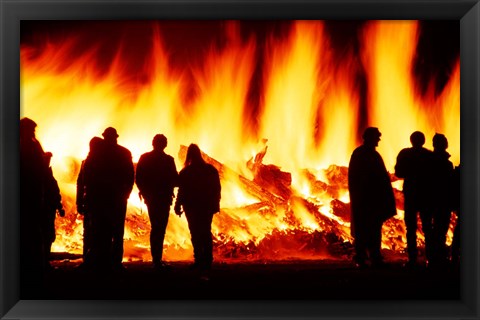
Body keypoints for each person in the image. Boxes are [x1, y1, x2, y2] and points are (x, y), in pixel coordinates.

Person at [83, 128, 134, 272]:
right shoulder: (124, 153)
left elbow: (88, 175)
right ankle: (115, 262)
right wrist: (126, 193)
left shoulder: (96, 153)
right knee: (117, 231)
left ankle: (99, 261)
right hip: (115, 197)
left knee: (99, 230)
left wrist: (88, 194)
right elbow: (130, 176)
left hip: (101, 197)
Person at [348, 127, 397, 268]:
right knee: (366, 229)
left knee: (373, 229)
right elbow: (359, 177)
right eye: (377, 137)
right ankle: (363, 257)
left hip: (371, 200)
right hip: (366, 199)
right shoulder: (364, 154)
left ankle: (372, 256)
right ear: (369, 138)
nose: (378, 140)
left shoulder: (369, 154)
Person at [174, 144, 221, 276]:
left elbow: (181, 191)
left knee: (195, 232)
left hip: (192, 207)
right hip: (205, 206)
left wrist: (178, 205)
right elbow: (217, 189)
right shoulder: (210, 170)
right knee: (205, 232)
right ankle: (207, 260)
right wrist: (215, 204)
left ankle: (199, 260)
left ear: (189, 155)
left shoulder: (186, 172)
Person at [136, 134, 178, 270]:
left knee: (156, 227)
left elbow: (139, 178)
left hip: (152, 198)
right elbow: (175, 179)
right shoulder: (168, 160)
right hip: (163, 198)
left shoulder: (145, 158)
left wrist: (145, 192)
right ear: (164, 145)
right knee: (160, 228)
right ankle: (157, 260)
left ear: (153, 143)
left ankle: (156, 259)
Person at [394, 131, 433, 267]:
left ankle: (412, 258)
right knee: (427, 227)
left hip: (411, 193)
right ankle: (430, 257)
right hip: (425, 194)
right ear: (423, 141)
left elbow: (398, 172)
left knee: (410, 227)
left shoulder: (405, 154)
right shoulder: (429, 155)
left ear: (411, 141)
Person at [20, 117, 48, 293]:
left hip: (33, 191)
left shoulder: (32, 143)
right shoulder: (29, 145)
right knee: (30, 228)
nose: (34, 132)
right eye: (32, 129)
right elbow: (38, 168)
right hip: (29, 192)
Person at [427, 133, 455, 268]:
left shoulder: (428, 161)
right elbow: (449, 183)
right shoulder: (445, 163)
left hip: (431, 200)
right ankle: (438, 257)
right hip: (442, 201)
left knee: (433, 229)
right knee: (440, 228)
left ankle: (433, 256)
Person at [76, 136, 104, 268]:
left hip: (97, 201)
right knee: (90, 231)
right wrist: (79, 201)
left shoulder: (101, 163)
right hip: (91, 201)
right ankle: (89, 259)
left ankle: (94, 259)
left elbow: (80, 184)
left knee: (95, 231)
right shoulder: (86, 162)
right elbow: (80, 183)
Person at [42, 151, 65, 270]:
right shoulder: (37, 174)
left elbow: (55, 193)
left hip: (48, 210)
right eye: (46, 159)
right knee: (43, 235)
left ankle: (44, 261)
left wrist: (59, 207)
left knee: (48, 235)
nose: (48, 161)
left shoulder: (48, 175)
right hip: (40, 210)